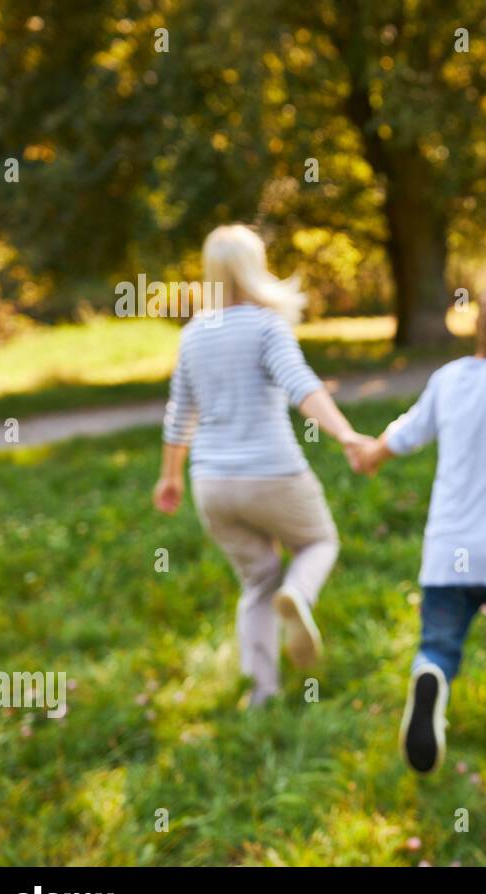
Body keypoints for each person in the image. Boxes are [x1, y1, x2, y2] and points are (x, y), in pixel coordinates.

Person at [353, 284, 486, 807]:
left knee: (440, 645)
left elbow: (407, 432)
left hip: (447, 552)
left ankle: (431, 674)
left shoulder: (447, 378)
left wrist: (374, 453)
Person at [154, 224, 368, 706]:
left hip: (212, 483)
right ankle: (298, 594)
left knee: (256, 581)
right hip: (273, 473)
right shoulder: (267, 325)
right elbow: (300, 383)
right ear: (257, 267)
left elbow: (178, 413)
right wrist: (345, 433)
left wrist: (169, 477)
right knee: (318, 541)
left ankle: (261, 692)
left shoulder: (193, 336)